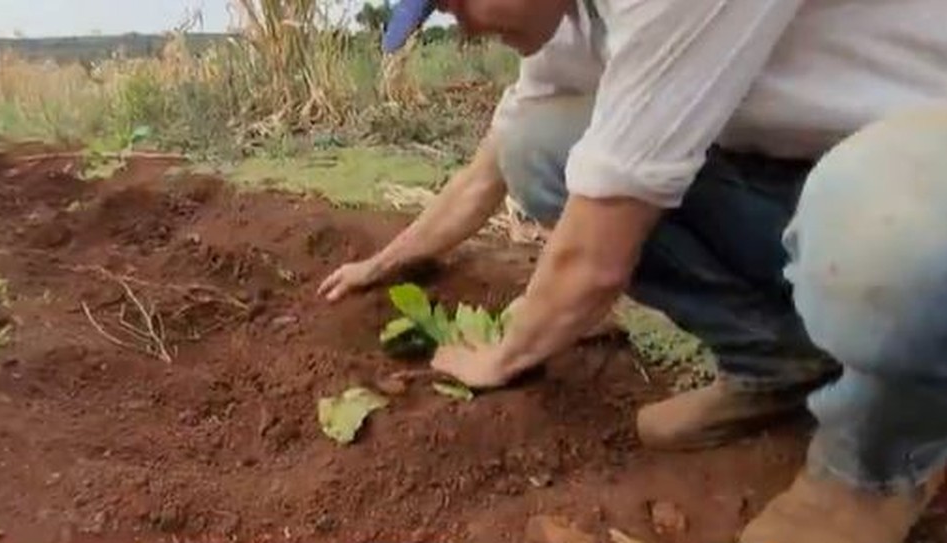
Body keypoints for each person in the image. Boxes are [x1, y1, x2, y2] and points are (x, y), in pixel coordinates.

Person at [317, 0, 947, 541]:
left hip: (919, 183)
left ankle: (876, 465)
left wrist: (504, 354)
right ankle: (775, 361)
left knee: (884, 231)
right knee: (538, 145)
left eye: (456, 3)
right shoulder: (578, 22)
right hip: (807, 186)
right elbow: (489, 173)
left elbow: (598, 250)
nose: (464, 30)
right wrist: (383, 262)